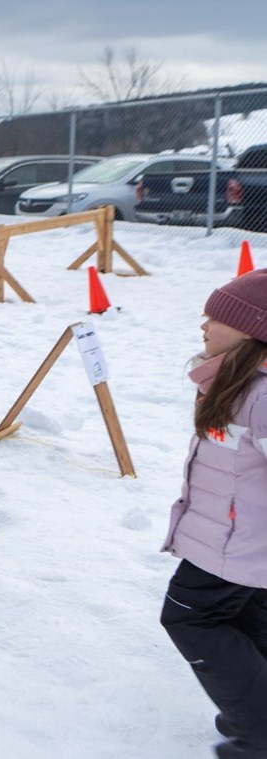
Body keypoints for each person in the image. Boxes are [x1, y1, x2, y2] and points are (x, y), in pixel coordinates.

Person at [161, 269, 267, 759]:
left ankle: (259, 733)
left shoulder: (262, 395)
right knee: (249, 622)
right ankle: (253, 712)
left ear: (253, 330)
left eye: (217, 317)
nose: (204, 324)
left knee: (190, 617)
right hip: (237, 542)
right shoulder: (236, 380)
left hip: (238, 545)